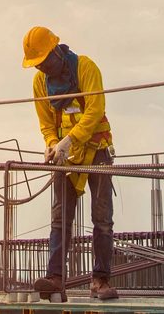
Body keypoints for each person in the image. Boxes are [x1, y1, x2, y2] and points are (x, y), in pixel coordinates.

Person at [23, 26, 119, 302]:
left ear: (55, 50)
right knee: (60, 219)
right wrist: (53, 143)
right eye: (36, 64)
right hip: (67, 155)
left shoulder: (85, 68)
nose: (41, 67)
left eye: (43, 61)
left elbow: (95, 110)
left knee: (101, 220)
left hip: (97, 149)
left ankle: (100, 280)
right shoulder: (41, 84)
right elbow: (45, 122)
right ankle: (55, 278)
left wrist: (69, 140)